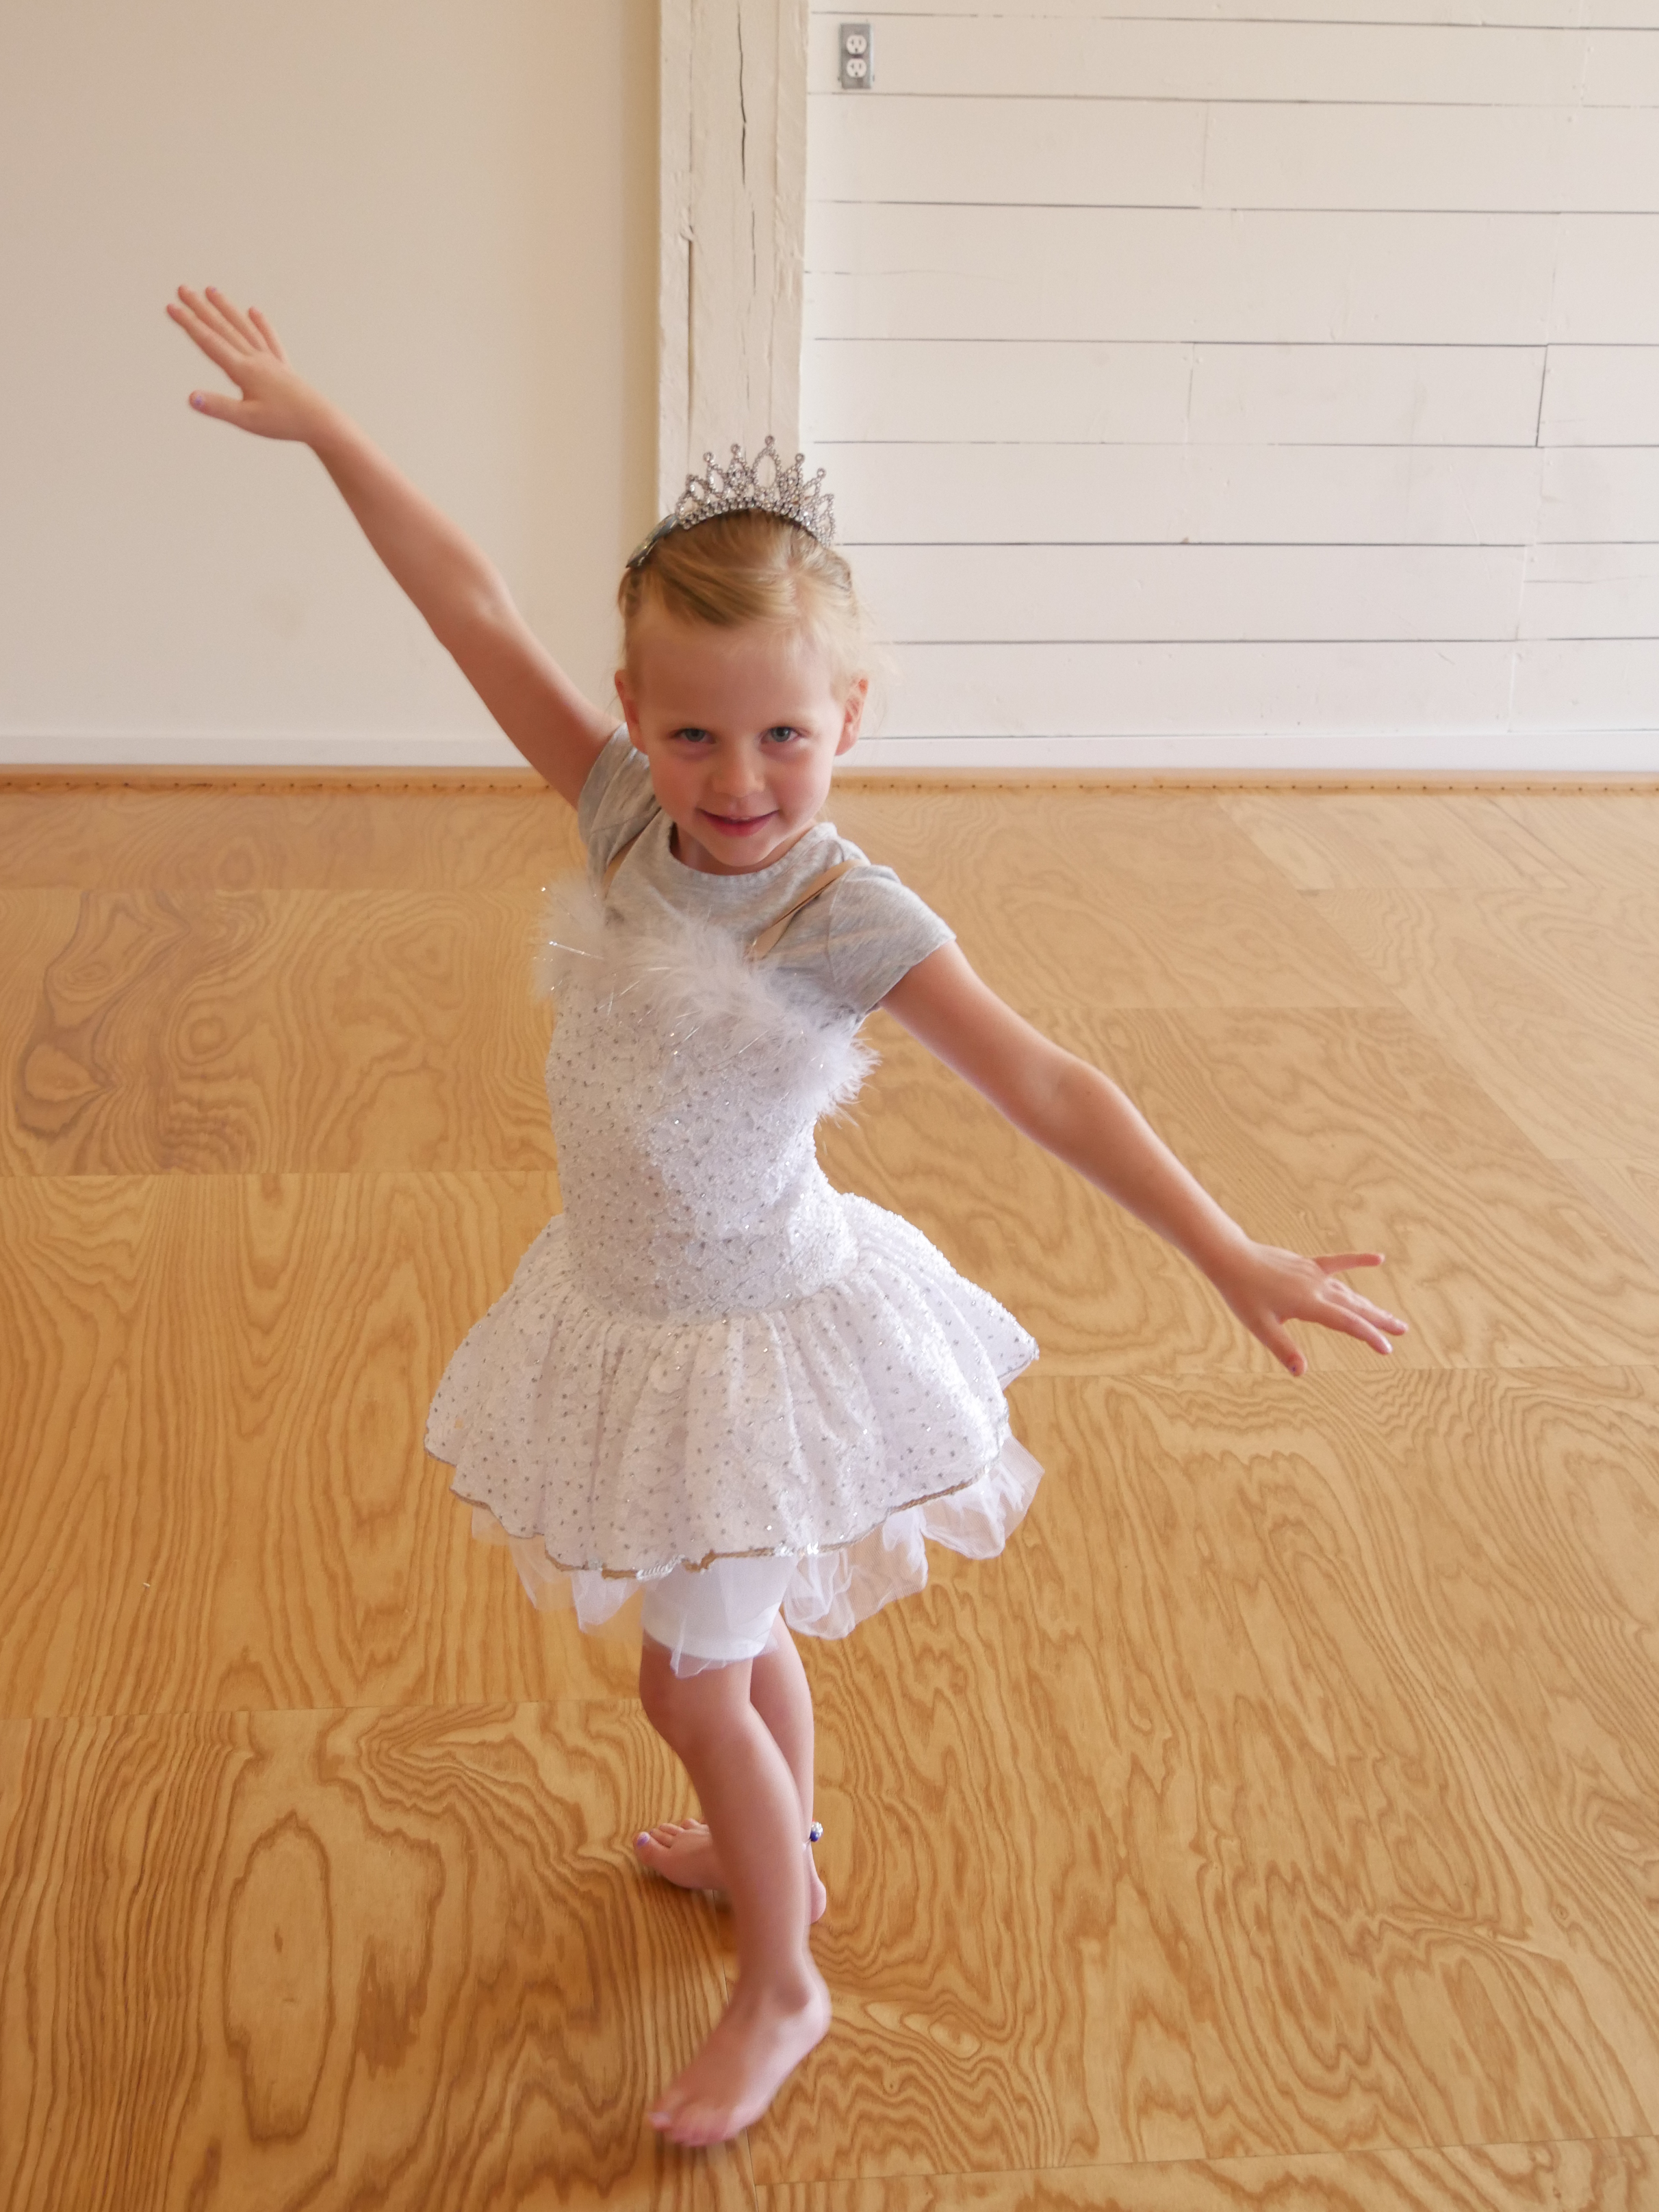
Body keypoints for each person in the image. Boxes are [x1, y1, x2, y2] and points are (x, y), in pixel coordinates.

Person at [168, 284, 1407, 2149]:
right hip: (631, 1310)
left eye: (782, 740)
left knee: (688, 1683)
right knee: (735, 1655)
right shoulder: (618, 818)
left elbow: (1048, 1080)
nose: (736, 784)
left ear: (848, 719)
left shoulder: (843, 914)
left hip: (751, 1340)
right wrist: (337, 434)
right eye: (691, 735)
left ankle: (783, 1982)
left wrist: (1229, 1246)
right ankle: (783, 1855)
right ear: (634, 719)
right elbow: (472, 608)